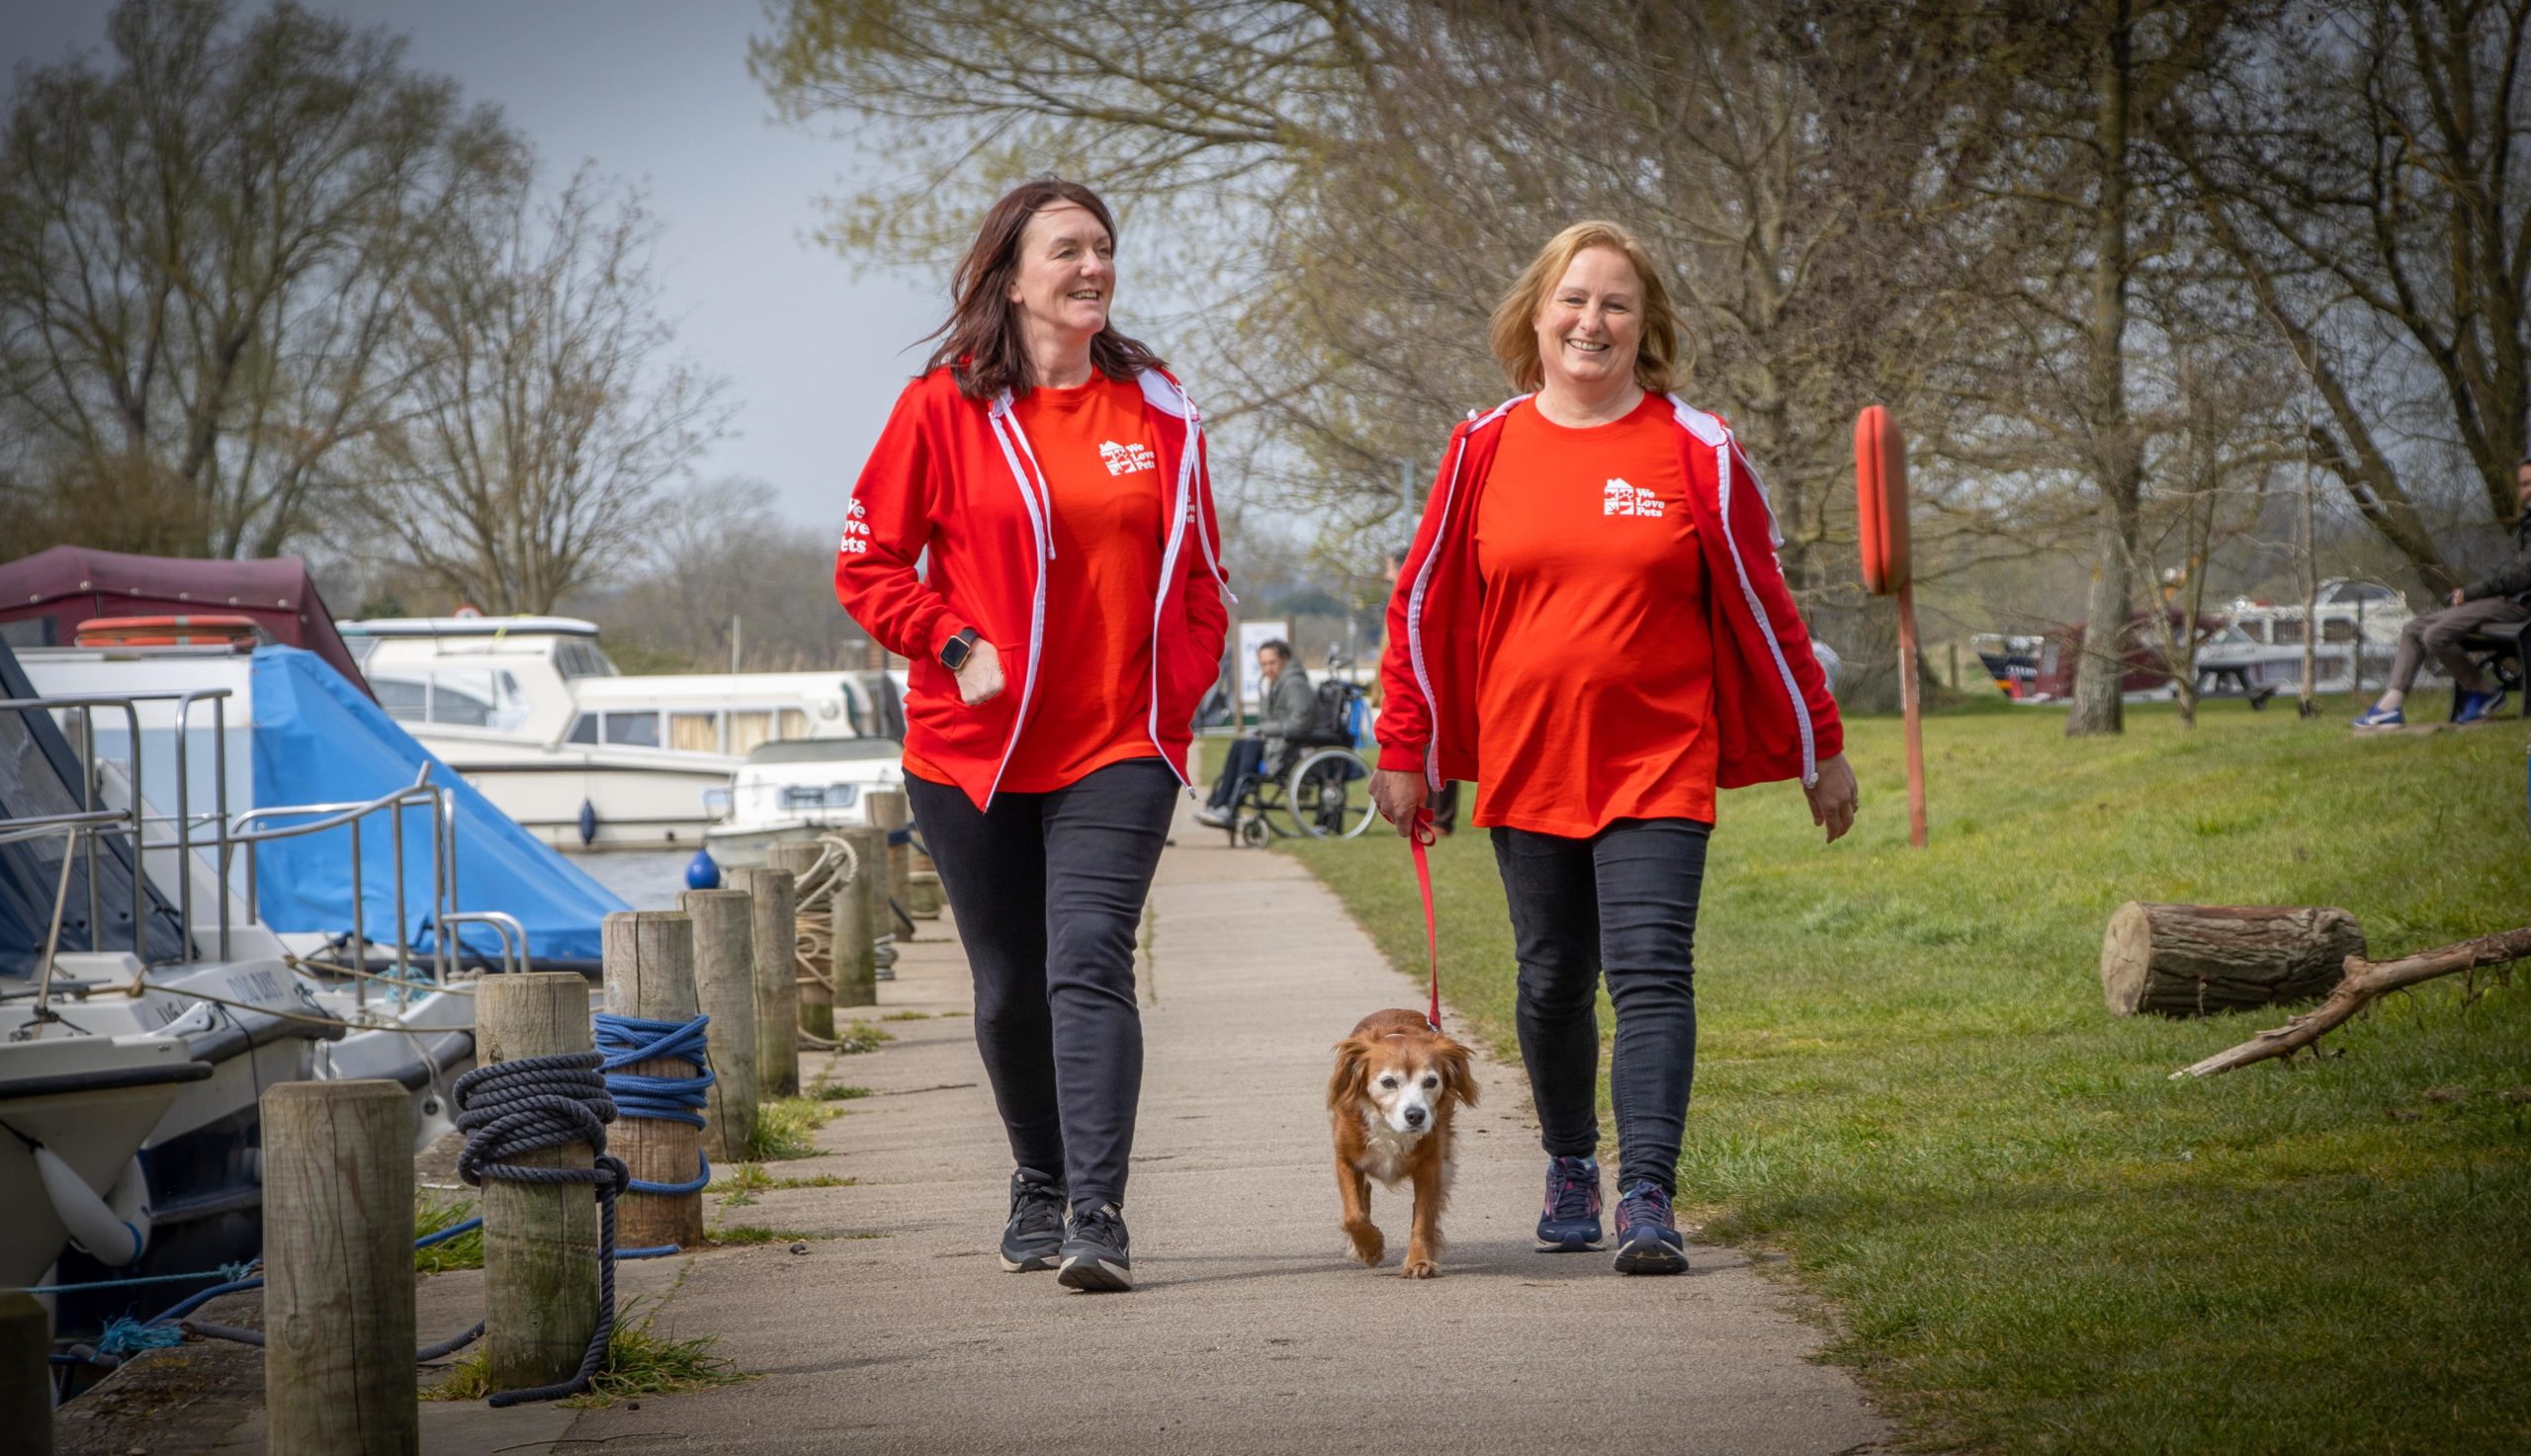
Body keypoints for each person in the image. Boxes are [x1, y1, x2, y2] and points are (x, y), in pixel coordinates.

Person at [1369, 220, 1859, 1277]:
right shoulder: (1483, 447)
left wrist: (1821, 747)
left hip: (1657, 762)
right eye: (1574, 301)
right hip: (1528, 761)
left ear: (1646, 326)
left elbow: (1768, 609)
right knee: (1549, 981)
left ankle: (1647, 1194)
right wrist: (1405, 744)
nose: (1593, 321)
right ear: (1536, 317)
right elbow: (1420, 605)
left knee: (1650, 974)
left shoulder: (1696, 448)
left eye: (1617, 304)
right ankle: (1567, 1164)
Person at [834, 178, 1229, 1293]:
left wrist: (1176, 694)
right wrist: (955, 643)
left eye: (1103, 246)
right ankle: (1039, 1177)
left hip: (1118, 744)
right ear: (1012, 276)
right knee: (1008, 984)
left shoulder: (1160, 407)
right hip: (971, 752)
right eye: (1067, 249)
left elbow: (1202, 580)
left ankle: (1099, 1213)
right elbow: (864, 565)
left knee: (1088, 962)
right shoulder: (941, 407)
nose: (1092, 265)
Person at [2352, 458, 2531, 728]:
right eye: (2524, 484)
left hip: (2520, 605)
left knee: (2436, 634)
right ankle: (2391, 704)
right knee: (2413, 628)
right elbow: (2503, 572)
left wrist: (2470, 594)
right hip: (2500, 600)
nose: (2527, 490)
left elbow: (2522, 575)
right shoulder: (2525, 524)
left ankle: (2485, 692)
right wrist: (2470, 593)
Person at [1193, 639, 1310, 827]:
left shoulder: (1295, 684)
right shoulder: (1269, 684)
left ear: (1285, 660)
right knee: (1239, 744)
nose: (1268, 668)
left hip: (1292, 746)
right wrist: (1265, 731)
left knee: (1250, 746)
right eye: (1263, 664)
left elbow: (1300, 724)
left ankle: (1230, 806)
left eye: (1272, 663)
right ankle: (1219, 803)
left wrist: (1266, 730)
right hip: (1277, 741)